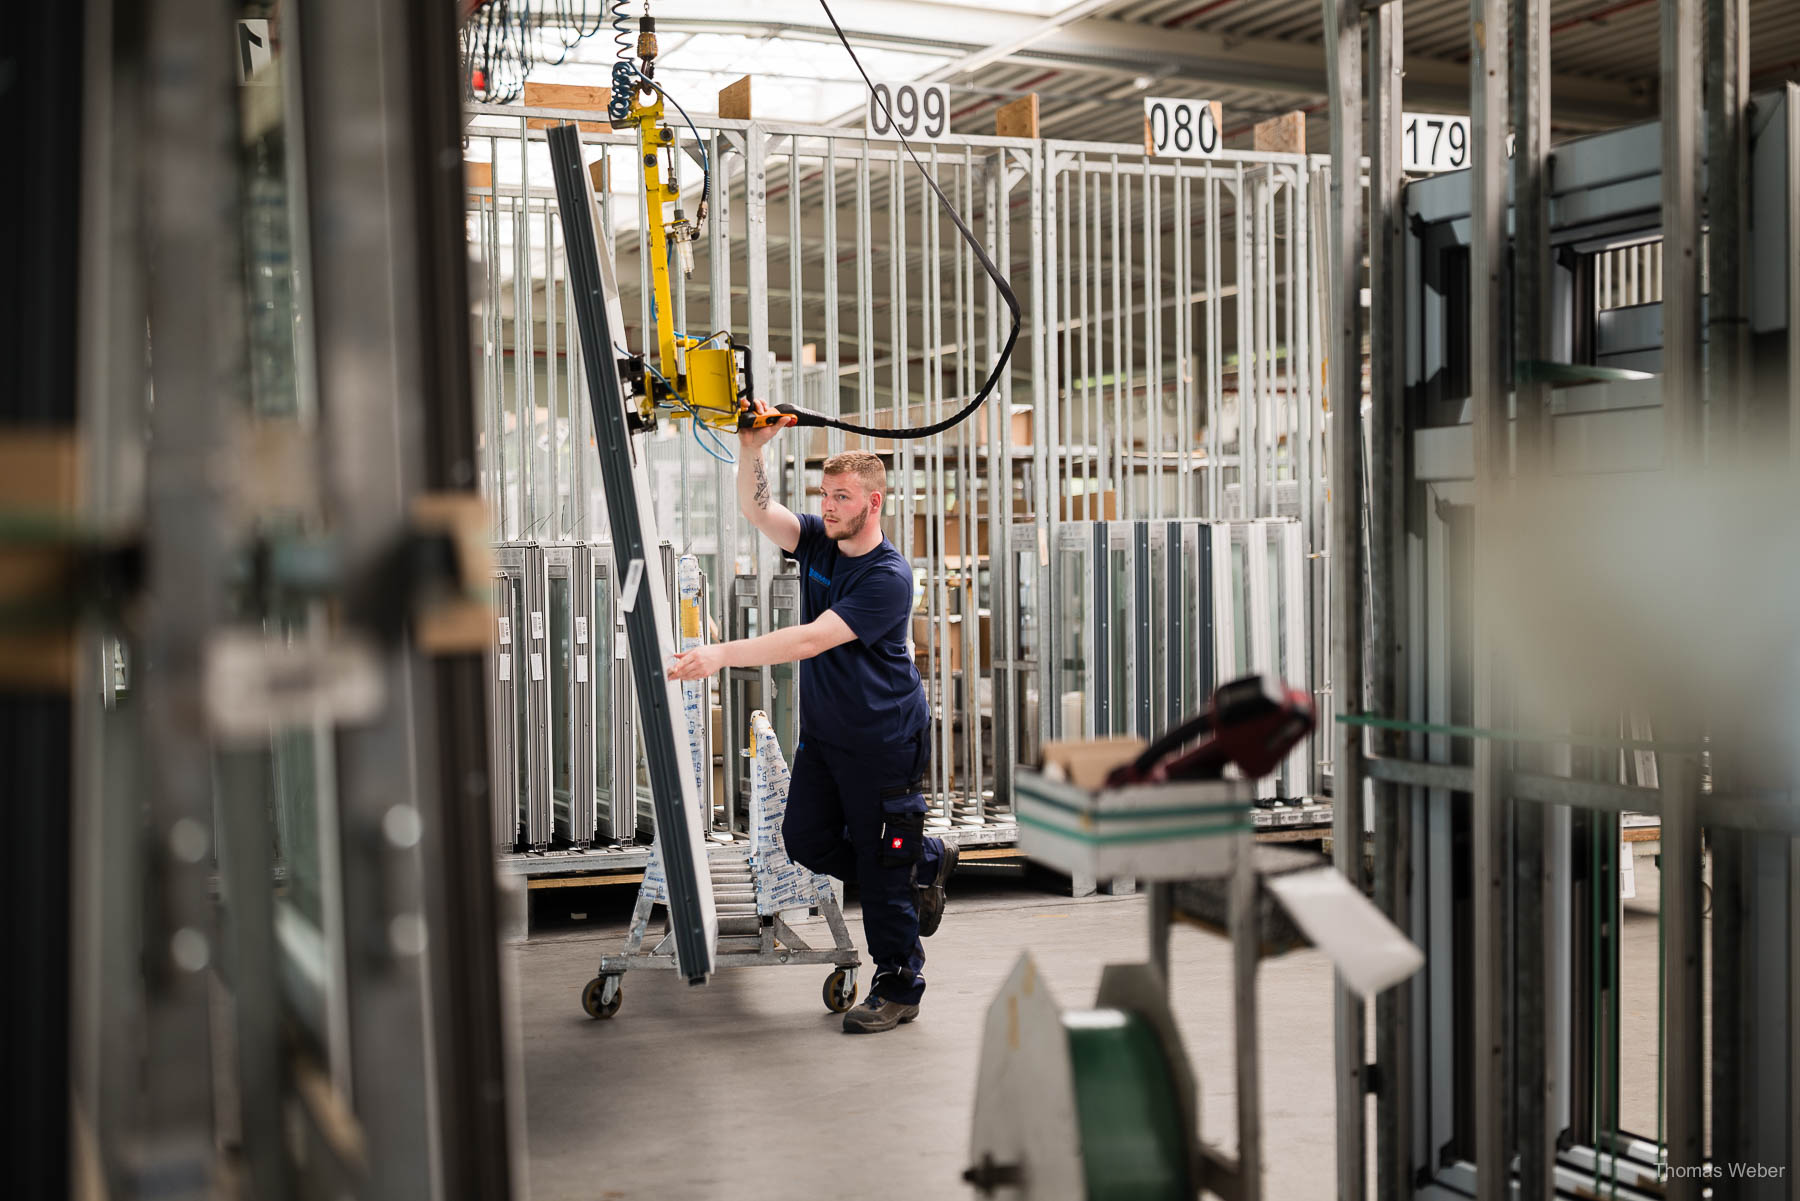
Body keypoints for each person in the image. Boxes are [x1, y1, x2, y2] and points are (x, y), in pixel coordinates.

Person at [667, 414, 957, 1033]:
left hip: (882, 739)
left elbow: (809, 641)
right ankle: (921, 863)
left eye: (842, 498)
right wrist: (750, 448)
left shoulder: (888, 577)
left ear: (873, 502)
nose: (827, 507)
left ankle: (899, 983)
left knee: (879, 869)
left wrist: (720, 654)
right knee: (805, 840)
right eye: (825, 495)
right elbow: (757, 508)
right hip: (827, 735)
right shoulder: (820, 541)